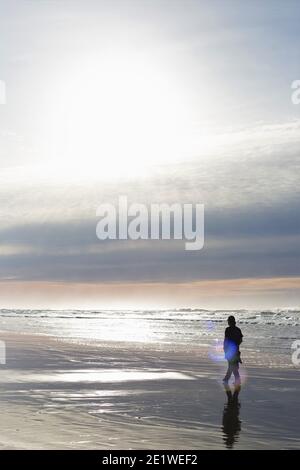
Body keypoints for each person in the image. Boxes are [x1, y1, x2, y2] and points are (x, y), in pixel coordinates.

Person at [223, 315, 243, 385]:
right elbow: (240, 340)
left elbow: (226, 340)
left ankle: (228, 379)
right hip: (236, 350)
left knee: (232, 365)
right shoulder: (238, 329)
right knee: (233, 365)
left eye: (228, 321)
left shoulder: (228, 329)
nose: (228, 322)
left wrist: (225, 349)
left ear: (229, 322)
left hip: (229, 350)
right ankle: (227, 379)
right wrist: (236, 345)